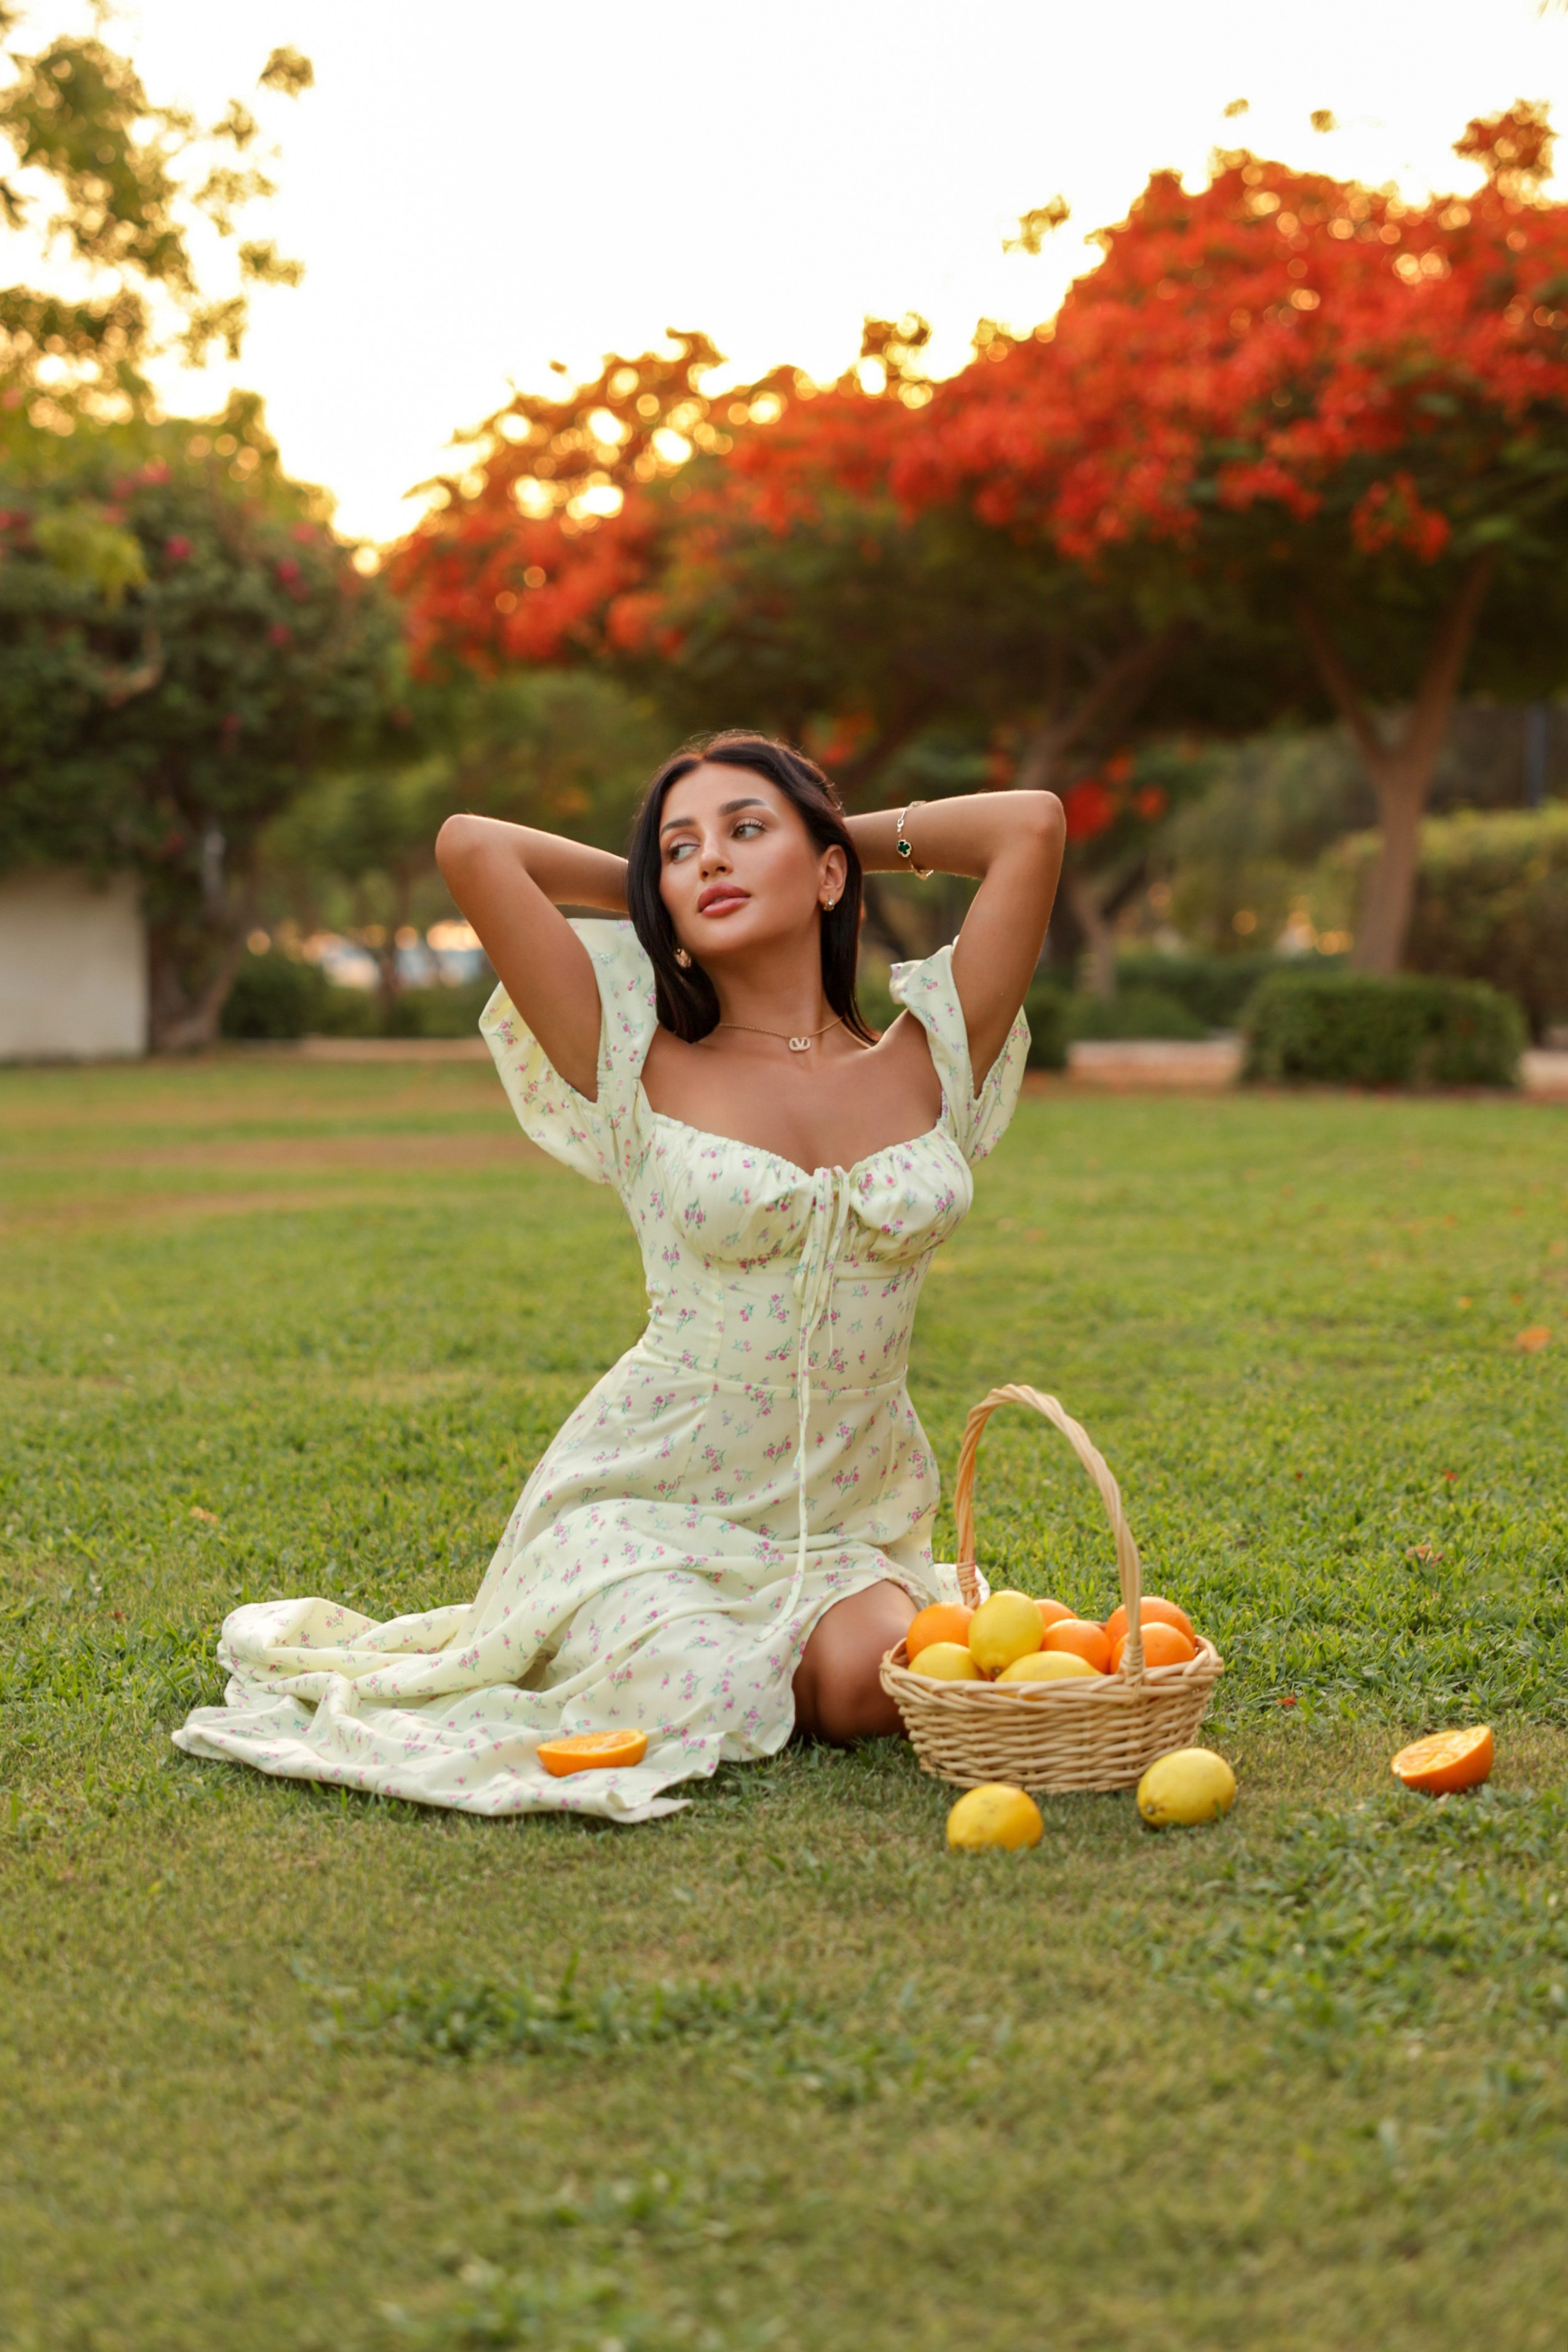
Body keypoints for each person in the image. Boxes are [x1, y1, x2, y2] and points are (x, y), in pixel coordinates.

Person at [174, 734, 1064, 1821]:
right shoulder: (636, 1060)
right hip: (646, 1503)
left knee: (872, 1687)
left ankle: (787, 1639)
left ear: (831, 873)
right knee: (702, 1683)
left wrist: (828, 835)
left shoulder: (930, 1057)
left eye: (744, 830)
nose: (709, 860)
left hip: (841, 1520)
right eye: (678, 849)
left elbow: (1030, 825)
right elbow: (474, 846)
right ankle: (643, 1624)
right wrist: (652, 890)